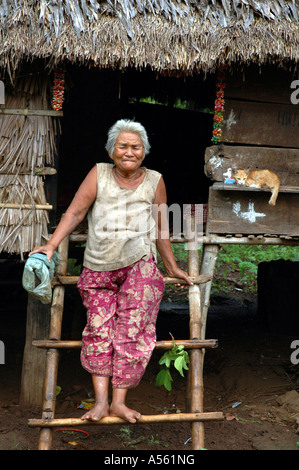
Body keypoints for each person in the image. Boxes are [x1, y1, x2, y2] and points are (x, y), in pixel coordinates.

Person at [29, 119, 192, 423]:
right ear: (112, 150)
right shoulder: (99, 174)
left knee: (132, 331)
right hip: (98, 267)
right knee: (98, 331)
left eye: (136, 147)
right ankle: (101, 402)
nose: (129, 152)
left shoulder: (154, 180)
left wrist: (171, 266)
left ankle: (119, 401)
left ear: (144, 151)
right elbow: (76, 211)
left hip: (139, 265)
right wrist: (50, 246)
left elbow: (161, 227)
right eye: (123, 146)